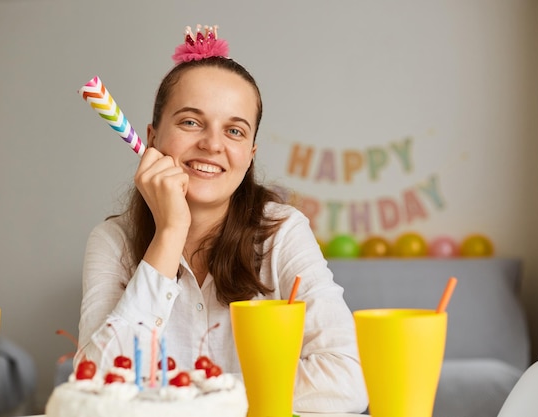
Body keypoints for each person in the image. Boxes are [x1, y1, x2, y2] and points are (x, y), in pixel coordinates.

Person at [75, 24, 368, 413]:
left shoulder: (283, 231)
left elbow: (348, 379)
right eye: (191, 122)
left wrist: (192, 391)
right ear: (153, 137)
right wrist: (170, 232)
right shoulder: (112, 241)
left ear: (249, 154)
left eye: (234, 130)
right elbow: (94, 387)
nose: (213, 145)